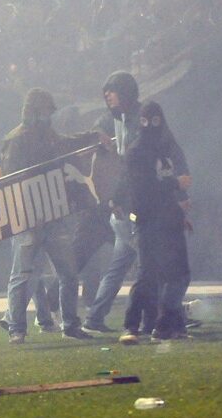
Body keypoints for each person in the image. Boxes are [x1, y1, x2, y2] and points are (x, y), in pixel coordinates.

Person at [81, 71, 190, 343]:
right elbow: (132, 170)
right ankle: (149, 322)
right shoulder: (115, 120)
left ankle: (112, 318)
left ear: (126, 92)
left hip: (140, 205)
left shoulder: (143, 120)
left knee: (131, 265)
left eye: (112, 90)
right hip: (137, 207)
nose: (107, 96)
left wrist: (180, 193)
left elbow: (171, 155)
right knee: (147, 268)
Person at [0, 88, 104, 344]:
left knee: (68, 272)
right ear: (34, 112)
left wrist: (91, 137)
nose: (48, 117)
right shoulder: (16, 140)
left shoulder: (47, 135)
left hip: (53, 215)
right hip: (28, 219)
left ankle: (70, 325)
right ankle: (17, 328)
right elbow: (6, 181)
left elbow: (65, 143)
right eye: (45, 113)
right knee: (22, 274)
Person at [112, 102, 191, 342]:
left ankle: (167, 324)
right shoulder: (136, 152)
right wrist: (176, 184)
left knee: (178, 274)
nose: (153, 126)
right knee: (148, 275)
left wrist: (180, 211)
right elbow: (143, 188)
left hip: (169, 218)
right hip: (147, 219)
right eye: (149, 121)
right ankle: (131, 326)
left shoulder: (164, 148)